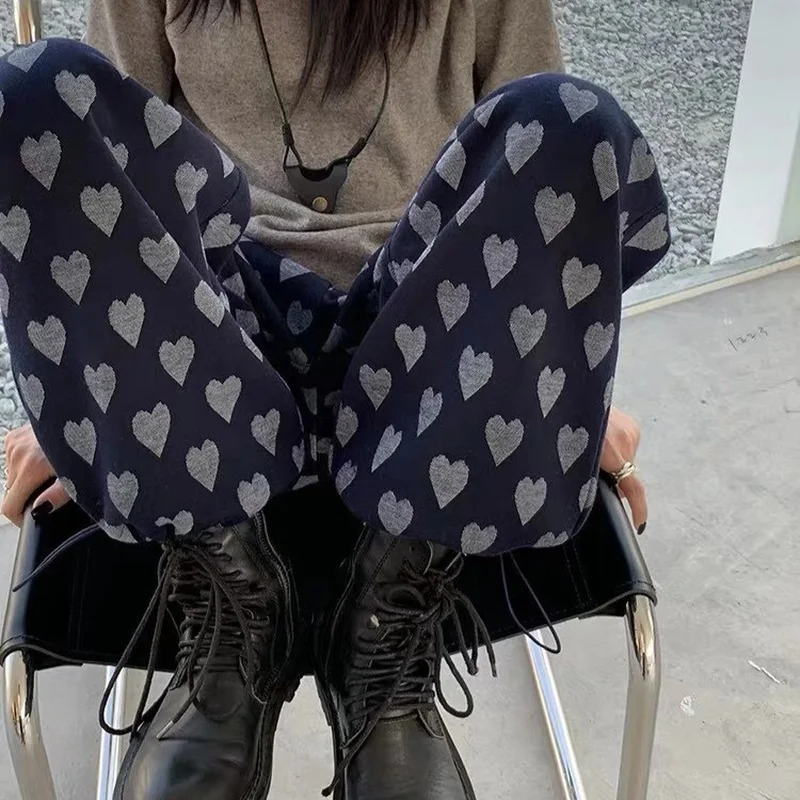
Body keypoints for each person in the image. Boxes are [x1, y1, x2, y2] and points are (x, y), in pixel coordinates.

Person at [0, 0, 664, 797]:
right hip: (218, 329)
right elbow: (108, 162)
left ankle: (380, 626)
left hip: (424, 327)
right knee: (32, 89)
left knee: (573, 117)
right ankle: (236, 609)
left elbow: (536, 178)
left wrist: (560, 381)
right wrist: (80, 386)